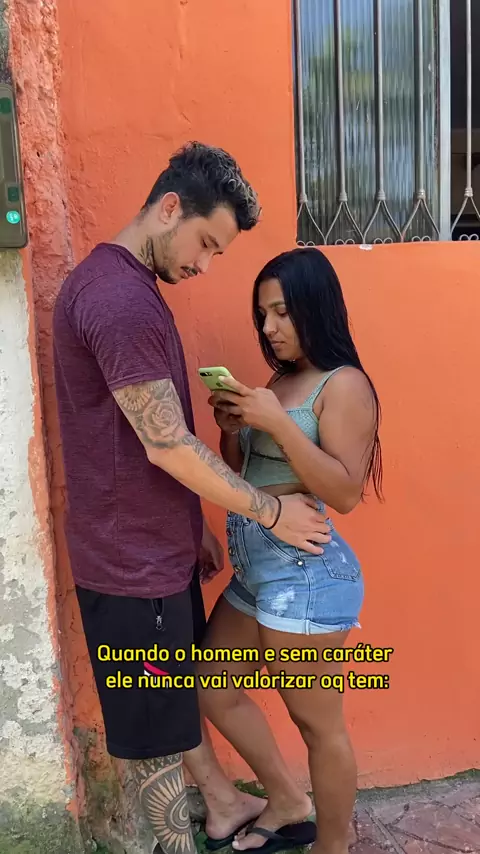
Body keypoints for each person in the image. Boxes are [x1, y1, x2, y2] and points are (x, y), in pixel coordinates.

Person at [52, 143, 332, 854]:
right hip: (131, 567)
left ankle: (225, 806)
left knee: (171, 705)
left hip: (154, 548)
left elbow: (145, 440)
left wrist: (191, 529)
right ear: (170, 208)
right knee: (153, 741)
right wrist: (270, 511)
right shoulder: (118, 299)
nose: (206, 265)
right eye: (206, 243)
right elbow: (167, 444)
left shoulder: (127, 286)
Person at [198, 247, 383, 854]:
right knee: (212, 685)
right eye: (263, 315)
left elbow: (344, 492)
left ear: (315, 307)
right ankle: (285, 800)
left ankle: (333, 846)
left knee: (317, 724)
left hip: (306, 576)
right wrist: (233, 428)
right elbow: (244, 473)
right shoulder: (279, 383)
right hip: (258, 569)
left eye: (282, 312)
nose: (270, 328)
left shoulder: (345, 384)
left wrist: (277, 421)